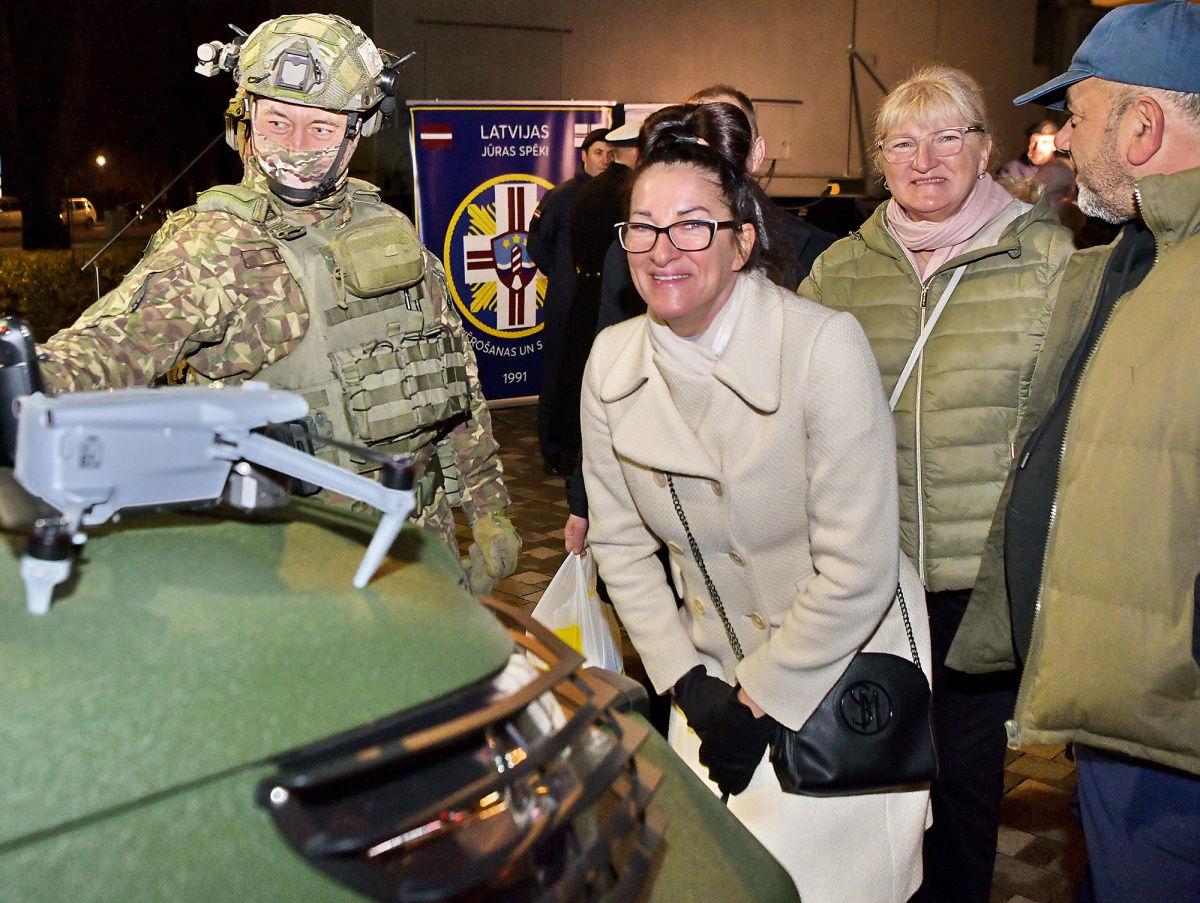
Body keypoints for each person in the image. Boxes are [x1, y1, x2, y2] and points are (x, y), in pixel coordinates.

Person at [35, 14, 521, 596]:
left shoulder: (389, 227)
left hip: (422, 547)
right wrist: (27, 381)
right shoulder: (219, 244)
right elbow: (110, 344)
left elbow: (450, 377)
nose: (295, 146)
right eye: (277, 121)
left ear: (358, 130)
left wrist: (487, 504)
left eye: (320, 127)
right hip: (297, 568)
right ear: (245, 120)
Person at [580, 101, 931, 902]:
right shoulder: (611, 362)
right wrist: (686, 682)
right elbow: (622, 545)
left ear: (741, 241)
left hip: (836, 681)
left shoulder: (822, 346)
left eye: (692, 226)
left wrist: (759, 700)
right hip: (709, 684)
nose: (663, 249)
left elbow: (859, 567)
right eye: (644, 227)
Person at [798, 66, 1074, 903]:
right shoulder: (842, 269)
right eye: (903, 143)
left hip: (978, 582)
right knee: (864, 770)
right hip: (868, 575)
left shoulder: (1046, 260)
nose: (925, 160)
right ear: (880, 159)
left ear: (985, 150)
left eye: (948, 136)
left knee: (961, 786)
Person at [951, 2, 1200, 900]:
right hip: (1124, 715)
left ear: (1142, 126)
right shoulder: (1134, 259)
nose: (1064, 138)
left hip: (1172, 731)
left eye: (1079, 115)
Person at [563, 85, 835, 556]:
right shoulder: (634, 256)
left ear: (754, 152)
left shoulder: (815, 256)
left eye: (717, 141)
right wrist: (584, 499)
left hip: (775, 517)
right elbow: (610, 385)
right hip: (659, 493)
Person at [549, 123, 639, 476]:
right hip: (617, 299)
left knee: (576, 376)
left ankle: (567, 453)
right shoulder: (630, 194)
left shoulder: (587, 190)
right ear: (637, 152)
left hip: (584, 295)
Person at [528, 128, 612, 475]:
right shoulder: (562, 195)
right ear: (584, 155)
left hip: (599, 302)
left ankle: (585, 450)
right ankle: (553, 450)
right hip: (566, 302)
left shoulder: (615, 196)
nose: (604, 160)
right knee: (558, 374)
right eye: (598, 152)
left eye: (610, 154)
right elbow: (537, 244)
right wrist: (563, 276)